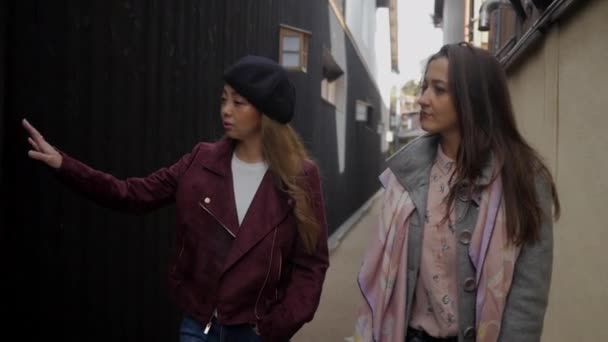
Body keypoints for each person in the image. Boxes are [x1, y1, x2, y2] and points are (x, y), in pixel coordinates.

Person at [23, 55, 329, 342]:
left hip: (255, 331)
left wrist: (277, 325)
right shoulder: (201, 160)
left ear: (267, 113)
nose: (226, 109)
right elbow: (132, 194)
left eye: (238, 102)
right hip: (198, 326)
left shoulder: (300, 177)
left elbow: (311, 263)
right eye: (224, 99)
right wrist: (65, 165)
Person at [354, 43, 560, 342]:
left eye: (439, 90)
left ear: (473, 98)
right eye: (425, 87)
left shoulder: (522, 178)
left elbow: (528, 296)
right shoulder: (405, 175)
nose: (423, 99)